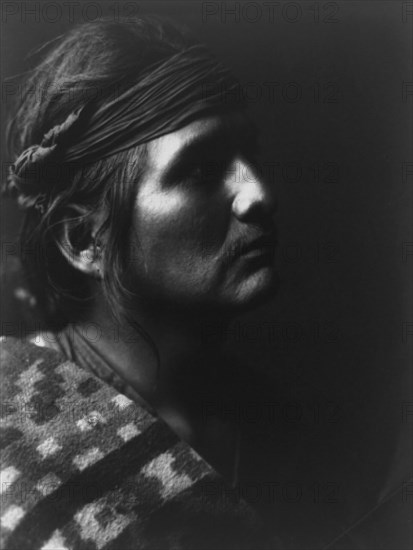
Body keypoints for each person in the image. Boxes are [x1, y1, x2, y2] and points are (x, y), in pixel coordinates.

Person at [1, 15, 281, 550]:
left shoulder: (277, 425)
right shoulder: (12, 452)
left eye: (250, 153)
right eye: (201, 170)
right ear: (84, 239)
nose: (258, 193)